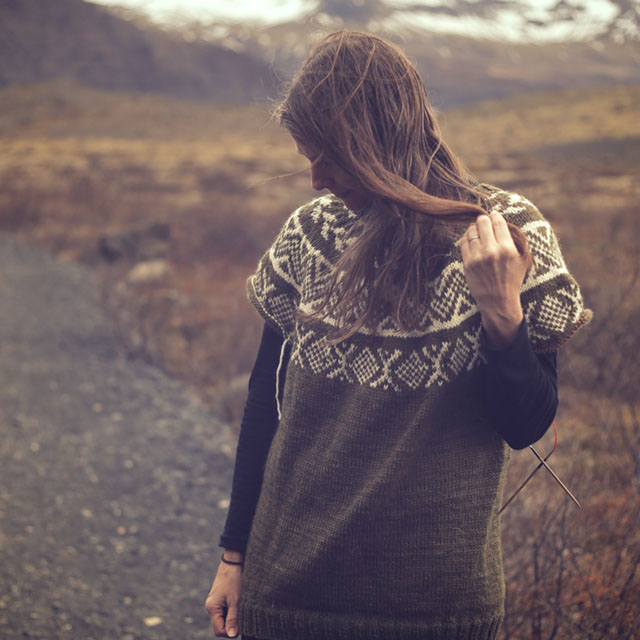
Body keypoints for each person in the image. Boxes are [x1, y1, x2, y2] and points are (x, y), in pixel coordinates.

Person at [205, 30, 591, 640]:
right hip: (291, 594)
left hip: (438, 610)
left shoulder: (502, 236)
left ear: (376, 140)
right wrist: (234, 558)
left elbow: (526, 427)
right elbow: (264, 407)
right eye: (308, 157)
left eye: (329, 157)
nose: (316, 180)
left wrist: (501, 313)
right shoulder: (309, 237)